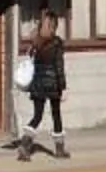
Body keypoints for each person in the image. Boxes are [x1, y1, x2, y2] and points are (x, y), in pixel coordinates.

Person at [16, 10, 70, 161]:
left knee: (37, 115)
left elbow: (32, 61)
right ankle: (59, 150)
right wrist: (63, 86)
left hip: (38, 84)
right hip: (53, 84)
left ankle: (25, 144)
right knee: (56, 115)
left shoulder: (36, 42)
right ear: (54, 26)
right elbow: (59, 66)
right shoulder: (56, 43)